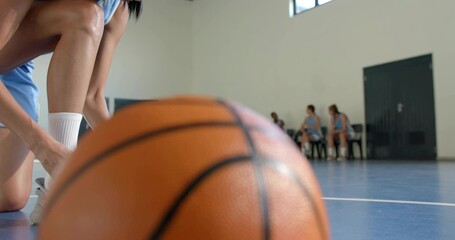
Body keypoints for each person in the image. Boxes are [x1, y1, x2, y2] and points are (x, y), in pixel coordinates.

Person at [0, 0, 142, 224]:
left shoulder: (116, 8)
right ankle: (59, 185)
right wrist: (43, 145)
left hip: (15, 76)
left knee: (10, 198)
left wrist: (130, 154)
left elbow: (91, 97)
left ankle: (55, 184)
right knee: (86, 14)